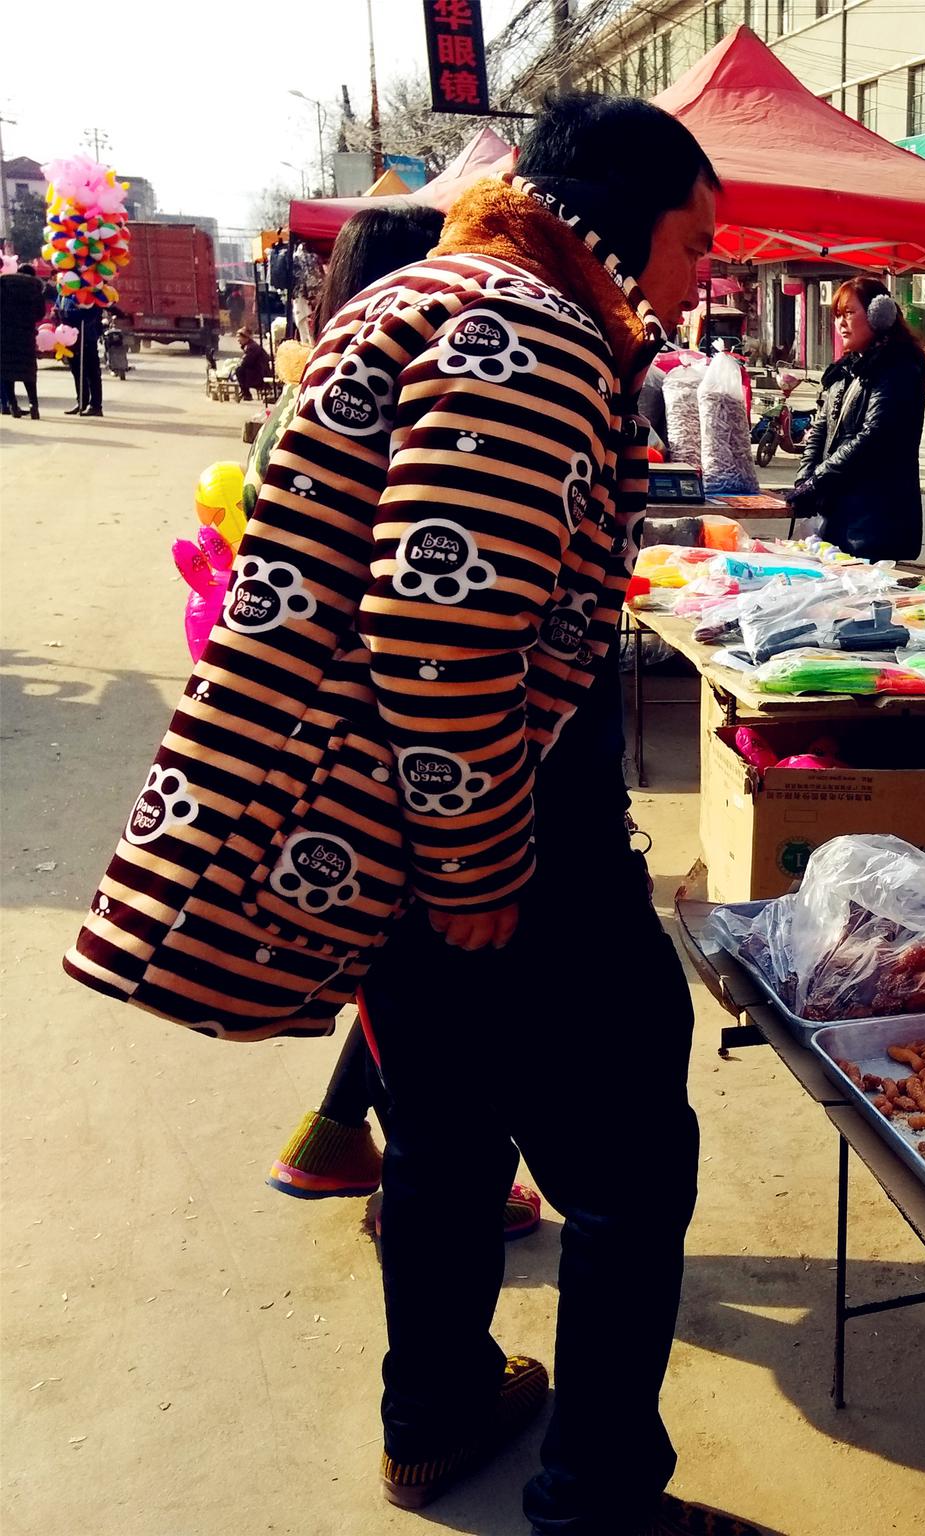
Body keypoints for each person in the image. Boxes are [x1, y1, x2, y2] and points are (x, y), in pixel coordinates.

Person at [66, 95, 754, 1535]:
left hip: (403, 834)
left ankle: (433, 1415)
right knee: (631, 1167)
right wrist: (481, 864)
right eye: (695, 243)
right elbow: (439, 629)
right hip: (487, 837)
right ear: (622, 219)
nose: (703, 279)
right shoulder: (535, 328)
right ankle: (598, 1490)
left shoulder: (431, 294)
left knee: (447, 1134)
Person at [254, 203, 553, 1239]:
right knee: (427, 1016)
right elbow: (427, 634)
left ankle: (354, 1149)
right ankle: (404, 1193)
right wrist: (475, 854)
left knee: (403, 997)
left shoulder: (327, 389)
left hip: (344, 760)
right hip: (388, 776)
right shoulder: (413, 396)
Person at [784, 275, 925, 560]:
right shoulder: (845, 371)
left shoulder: (898, 369)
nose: (841, 323)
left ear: (880, 315)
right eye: (838, 315)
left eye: (849, 313)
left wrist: (818, 481)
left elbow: (873, 438)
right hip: (837, 516)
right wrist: (805, 478)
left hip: (874, 521)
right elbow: (820, 430)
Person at [0, 265, 42, 418]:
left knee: (6, 371)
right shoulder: (35, 289)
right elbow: (40, 313)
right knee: (28, 371)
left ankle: (13, 406)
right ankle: (33, 405)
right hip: (26, 334)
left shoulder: (3, 285)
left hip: (4, 334)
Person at [232, 327, 270, 401]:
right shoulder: (250, 346)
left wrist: (237, 366)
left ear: (246, 338)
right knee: (239, 369)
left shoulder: (251, 347)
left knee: (239, 370)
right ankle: (244, 392)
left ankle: (246, 393)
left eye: (239, 338)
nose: (238, 340)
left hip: (261, 373)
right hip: (258, 371)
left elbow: (245, 362)